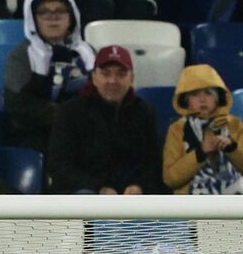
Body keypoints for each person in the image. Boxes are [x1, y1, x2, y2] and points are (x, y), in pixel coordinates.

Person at [47, 45, 163, 195]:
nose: (113, 81)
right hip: (86, 196)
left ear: (132, 78)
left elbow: (154, 163)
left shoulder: (145, 112)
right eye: (106, 74)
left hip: (132, 197)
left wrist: (139, 186)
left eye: (121, 74)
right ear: (94, 78)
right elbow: (60, 165)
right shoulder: (69, 112)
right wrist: (99, 189)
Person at [4, 0, 94, 156]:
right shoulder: (21, 56)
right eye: (44, 12)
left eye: (60, 11)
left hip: (85, 128)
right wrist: (66, 117)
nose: (53, 17)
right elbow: (18, 106)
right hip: (38, 133)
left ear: (71, 16)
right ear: (34, 19)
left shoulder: (88, 52)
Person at [162, 64, 243, 195]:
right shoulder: (177, 129)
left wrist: (232, 149)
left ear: (219, 97)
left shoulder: (234, 124)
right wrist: (200, 153)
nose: (202, 100)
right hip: (190, 208)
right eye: (195, 94)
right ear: (186, 100)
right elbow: (170, 179)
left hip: (234, 207)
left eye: (208, 93)